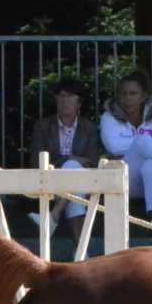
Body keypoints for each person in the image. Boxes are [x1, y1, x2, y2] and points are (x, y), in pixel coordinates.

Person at [99, 71, 152, 216]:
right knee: (144, 141)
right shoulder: (108, 117)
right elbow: (113, 147)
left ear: (143, 97)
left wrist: (142, 147)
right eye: (123, 93)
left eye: (133, 93)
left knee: (150, 163)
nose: (127, 98)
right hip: (124, 178)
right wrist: (142, 145)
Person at [26, 77, 100, 232]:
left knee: (73, 170)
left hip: (83, 179)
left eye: (70, 97)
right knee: (74, 181)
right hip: (52, 177)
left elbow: (92, 161)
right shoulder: (43, 126)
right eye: (61, 96)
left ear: (79, 103)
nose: (64, 101)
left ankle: (53, 216)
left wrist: (72, 162)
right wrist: (70, 159)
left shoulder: (89, 128)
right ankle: (81, 252)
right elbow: (37, 159)